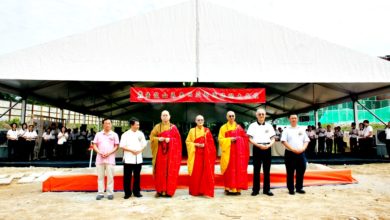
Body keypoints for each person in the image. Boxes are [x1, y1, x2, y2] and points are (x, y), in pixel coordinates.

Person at [149, 110, 182, 197]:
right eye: (163, 115)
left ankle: (169, 191)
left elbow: (178, 141)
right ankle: (159, 191)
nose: (165, 117)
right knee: (160, 172)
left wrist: (170, 140)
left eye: (166, 115)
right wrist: (158, 139)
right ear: (161, 117)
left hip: (171, 155)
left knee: (169, 171)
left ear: (169, 117)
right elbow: (152, 137)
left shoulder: (173, 127)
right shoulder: (157, 127)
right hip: (160, 154)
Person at [218, 111, 249, 195]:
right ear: (227, 117)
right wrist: (229, 139)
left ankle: (237, 189)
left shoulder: (239, 127)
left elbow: (245, 138)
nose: (231, 117)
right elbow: (220, 140)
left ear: (235, 117)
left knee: (238, 170)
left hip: (238, 153)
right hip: (228, 153)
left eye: (233, 116)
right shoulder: (223, 128)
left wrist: (238, 138)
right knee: (228, 171)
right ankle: (227, 188)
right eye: (230, 116)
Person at [185, 115, 216, 197]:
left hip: (205, 155)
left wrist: (205, 145)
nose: (200, 121)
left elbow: (211, 144)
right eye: (198, 120)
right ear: (195, 121)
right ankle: (195, 191)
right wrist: (196, 144)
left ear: (204, 121)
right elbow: (188, 142)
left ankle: (203, 190)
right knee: (196, 173)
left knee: (204, 172)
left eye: (202, 120)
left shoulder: (207, 131)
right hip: (195, 155)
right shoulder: (192, 131)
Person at [246, 108, 275, 196]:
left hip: (267, 148)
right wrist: (258, 145)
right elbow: (249, 138)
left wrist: (269, 145)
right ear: (256, 115)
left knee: (267, 170)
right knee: (256, 169)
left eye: (263, 114)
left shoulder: (269, 126)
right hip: (257, 148)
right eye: (259, 114)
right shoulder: (252, 125)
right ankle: (255, 190)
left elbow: (273, 138)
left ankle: (267, 190)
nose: (261, 115)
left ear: (265, 115)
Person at [281, 114, 310, 195]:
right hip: (290, 153)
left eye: (295, 118)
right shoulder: (286, 130)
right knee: (290, 172)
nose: (293, 119)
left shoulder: (302, 129)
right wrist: (292, 149)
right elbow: (284, 141)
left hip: (301, 153)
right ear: (289, 119)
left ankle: (299, 188)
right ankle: (291, 189)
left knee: (301, 171)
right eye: (292, 118)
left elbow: (306, 140)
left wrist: (303, 148)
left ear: (297, 119)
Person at [120, 118, 147, 199]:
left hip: (138, 159)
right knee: (127, 177)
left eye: (138, 125)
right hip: (128, 159)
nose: (138, 126)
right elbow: (122, 146)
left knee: (137, 176)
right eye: (137, 124)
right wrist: (131, 150)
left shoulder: (140, 134)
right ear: (132, 125)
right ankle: (127, 193)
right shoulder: (125, 134)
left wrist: (140, 150)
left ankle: (136, 192)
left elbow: (144, 144)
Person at [93, 119, 119, 200]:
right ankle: (100, 193)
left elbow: (116, 146)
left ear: (111, 125)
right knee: (100, 177)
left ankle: (110, 193)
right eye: (106, 123)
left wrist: (109, 153)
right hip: (100, 159)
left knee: (110, 177)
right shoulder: (98, 134)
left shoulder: (114, 135)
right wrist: (99, 152)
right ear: (103, 125)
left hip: (110, 159)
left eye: (109, 123)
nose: (107, 125)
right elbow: (94, 145)